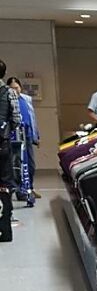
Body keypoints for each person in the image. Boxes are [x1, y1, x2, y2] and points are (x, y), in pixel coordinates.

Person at [7, 77, 40, 206]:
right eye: (12, 88)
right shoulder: (7, 101)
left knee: (31, 165)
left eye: (17, 88)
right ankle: (20, 191)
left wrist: (36, 135)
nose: (15, 90)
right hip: (14, 137)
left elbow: (32, 118)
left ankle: (29, 188)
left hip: (27, 135)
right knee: (17, 165)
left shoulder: (27, 99)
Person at [0, 60, 20, 198]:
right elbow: (16, 118)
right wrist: (9, 129)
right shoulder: (10, 92)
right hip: (2, 139)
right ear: (4, 73)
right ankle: (6, 214)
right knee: (5, 177)